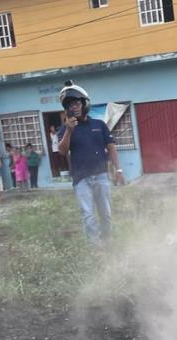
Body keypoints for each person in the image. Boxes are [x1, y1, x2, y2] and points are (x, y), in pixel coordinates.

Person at [57, 80, 124, 241]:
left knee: (105, 214)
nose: (74, 107)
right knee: (88, 215)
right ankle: (95, 248)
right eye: (70, 105)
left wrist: (118, 170)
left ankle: (107, 241)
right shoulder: (65, 129)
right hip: (81, 179)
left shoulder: (99, 125)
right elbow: (62, 151)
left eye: (77, 103)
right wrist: (68, 130)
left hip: (101, 175)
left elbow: (111, 147)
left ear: (84, 103)